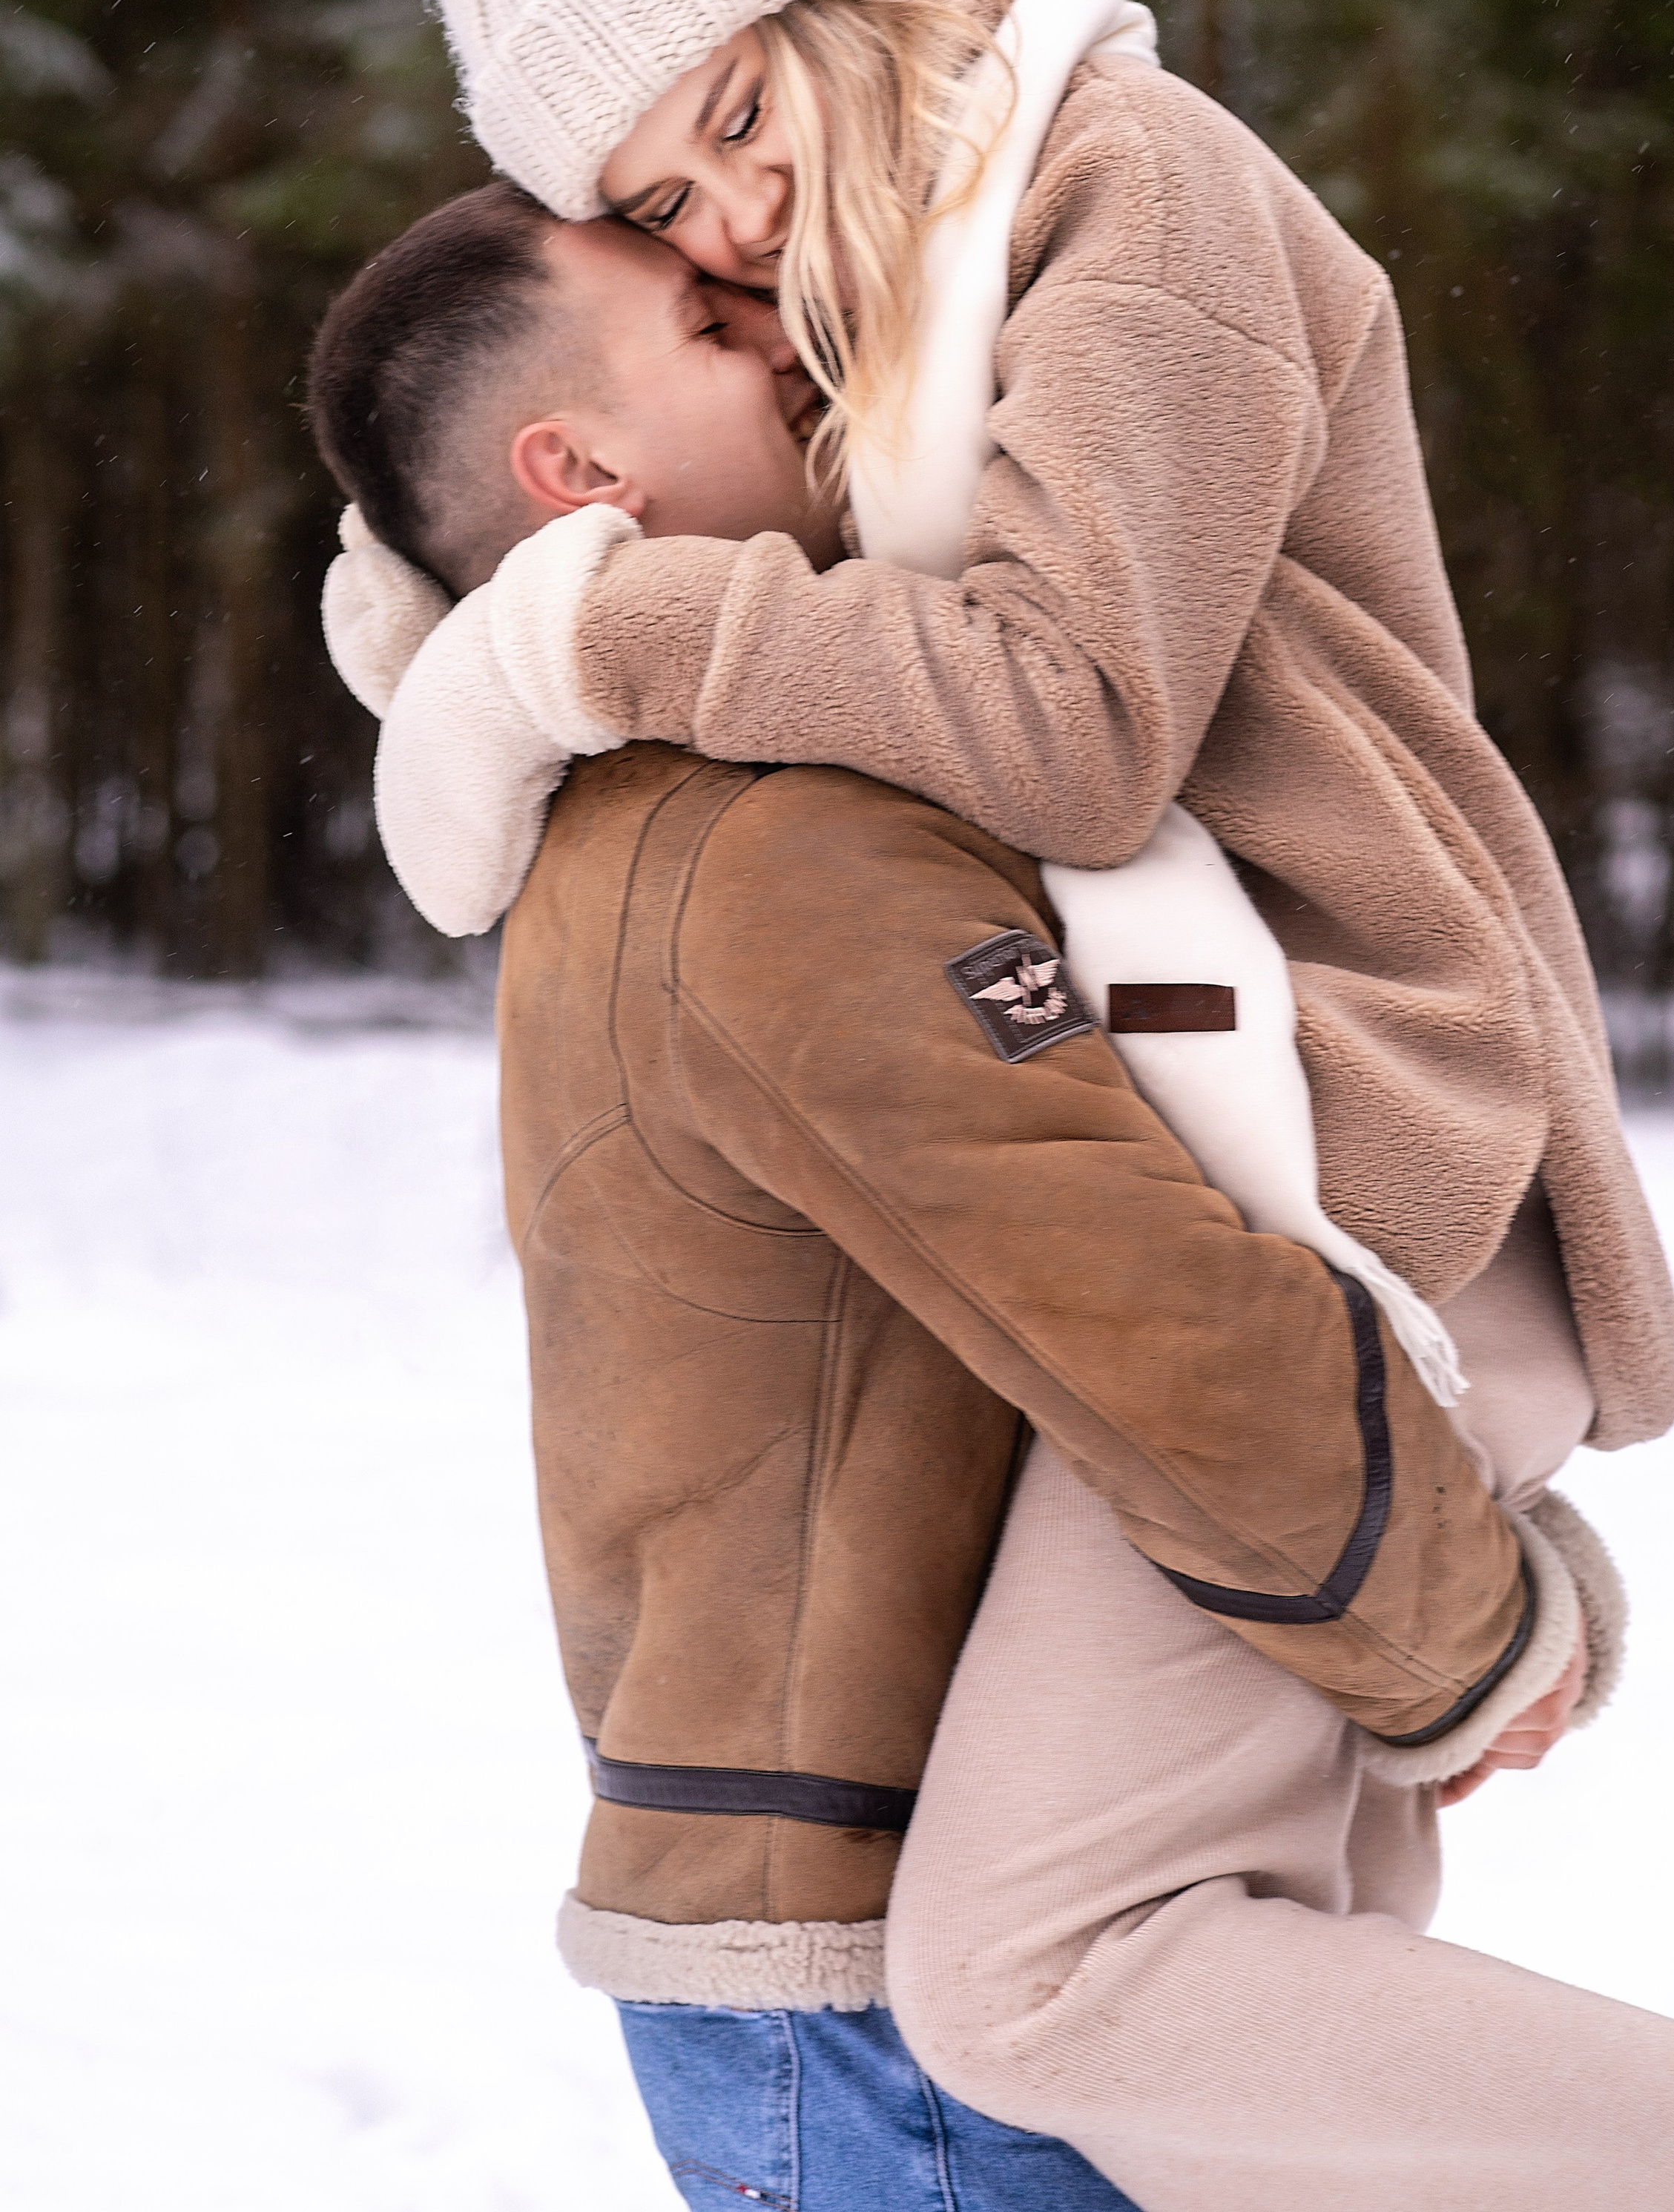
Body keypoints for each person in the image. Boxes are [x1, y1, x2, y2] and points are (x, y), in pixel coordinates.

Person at [319, 0, 1674, 2210]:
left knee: (1045, 1967)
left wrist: (587, 626)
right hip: (1223, 1158)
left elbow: (1065, 720)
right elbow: (617, 465)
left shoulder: (1121, 184)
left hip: (1379, 1130)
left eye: (736, 114)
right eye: (654, 204)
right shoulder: (886, 311)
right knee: (1267, 2022)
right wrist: (452, 596)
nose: (730, 215)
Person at [307, 189, 1575, 2212]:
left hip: (842, 1946)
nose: (794, 332)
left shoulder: (661, 807)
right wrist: (1471, 1634)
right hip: (893, 1999)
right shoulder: (769, 845)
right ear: (581, 470)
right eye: (716, 324)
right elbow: (1141, 1309)